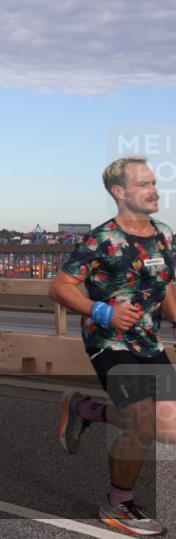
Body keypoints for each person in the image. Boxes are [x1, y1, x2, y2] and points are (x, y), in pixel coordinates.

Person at [51, 156, 176, 537]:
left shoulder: (164, 234)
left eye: (154, 182)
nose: (154, 189)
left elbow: (167, 288)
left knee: (167, 429)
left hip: (147, 341)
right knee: (139, 418)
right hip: (109, 340)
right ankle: (118, 504)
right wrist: (102, 312)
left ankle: (87, 409)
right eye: (143, 184)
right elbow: (60, 287)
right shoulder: (100, 240)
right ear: (119, 192)